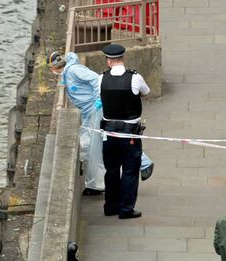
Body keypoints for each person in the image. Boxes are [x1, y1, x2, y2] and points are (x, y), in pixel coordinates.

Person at [46, 51, 154, 196]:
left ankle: (143, 163)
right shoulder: (69, 72)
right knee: (99, 143)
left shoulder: (73, 71)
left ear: (54, 67)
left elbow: (96, 80)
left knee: (105, 141)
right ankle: (98, 183)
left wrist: (98, 100)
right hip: (90, 111)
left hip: (95, 110)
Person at [99, 44, 150, 219]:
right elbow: (146, 92)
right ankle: (126, 209)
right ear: (122, 58)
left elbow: (99, 96)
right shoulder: (135, 78)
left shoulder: (101, 79)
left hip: (109, 133)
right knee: (129, 171)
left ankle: (110, 207)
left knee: (111, 170)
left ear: (108, 60)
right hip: (130, 134)